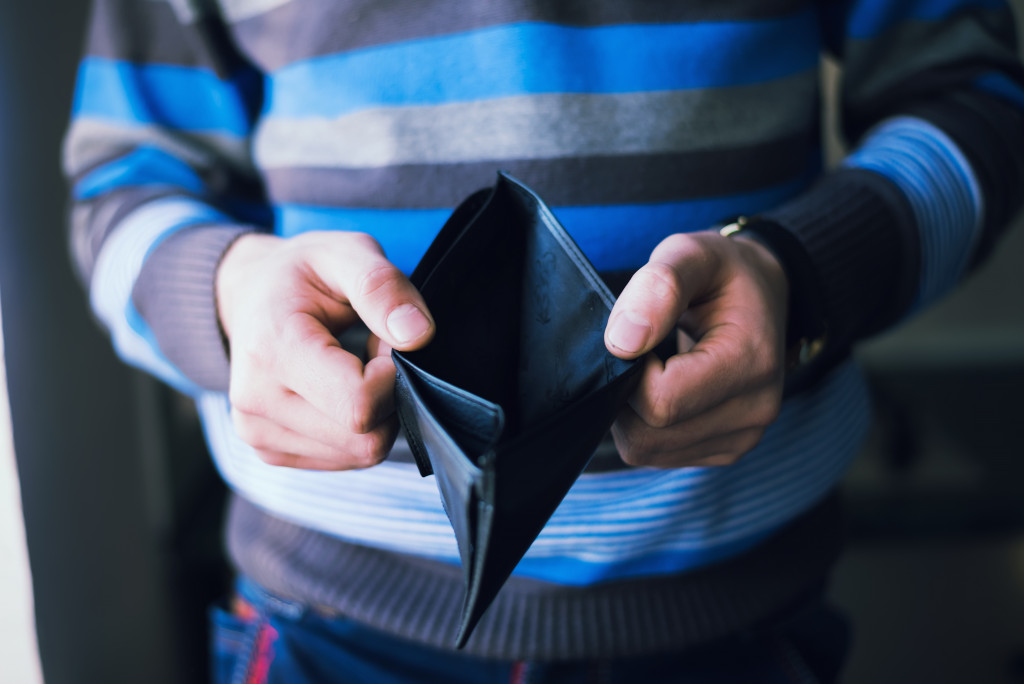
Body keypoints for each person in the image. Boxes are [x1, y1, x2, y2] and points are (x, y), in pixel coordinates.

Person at [65, 0, 1024, 681]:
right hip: (328, 619)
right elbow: (123, 185)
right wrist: (227, 300)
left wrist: (804, 276)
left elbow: (978, 102)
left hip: (734, 611)